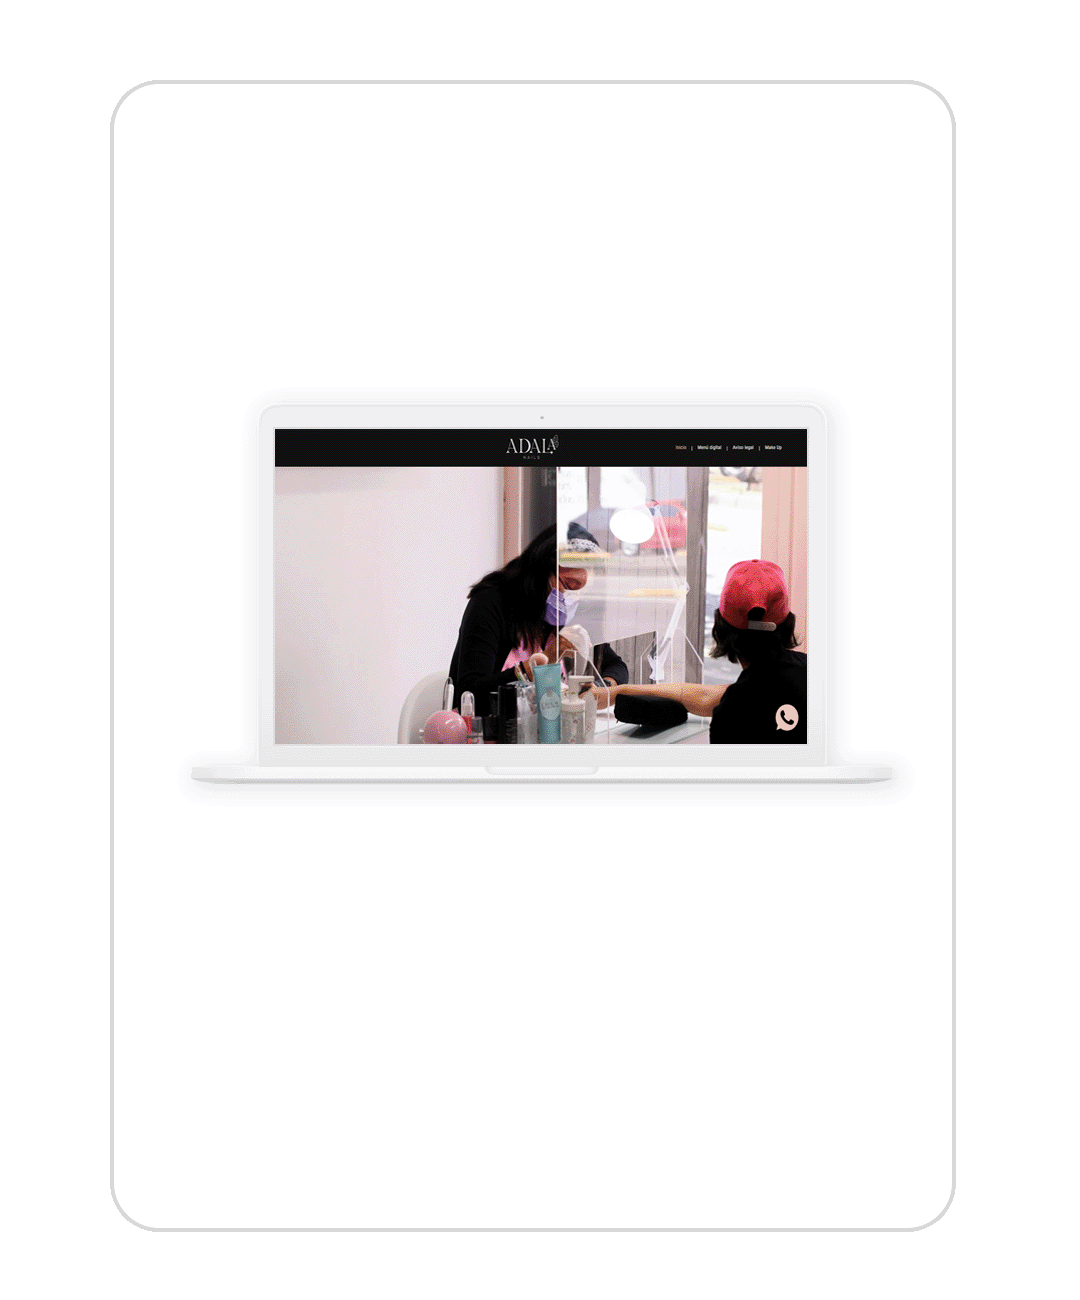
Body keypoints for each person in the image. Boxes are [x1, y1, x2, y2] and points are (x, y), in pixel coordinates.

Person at [586, 559, 806, 744]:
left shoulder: (734, 710)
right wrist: (617, 692)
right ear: (788, 622)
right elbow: (702, 695)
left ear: (721, 627)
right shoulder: (807, 674)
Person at [449, 524, 628, 715]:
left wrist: (602, 687)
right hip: (491, 727)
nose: (572, 597)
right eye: (568, 585)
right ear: (541, 570)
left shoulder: (568, 614)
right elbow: (469, 694)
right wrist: (539, 664)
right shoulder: (491, 603)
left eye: (582, 592)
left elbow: (617, 666)